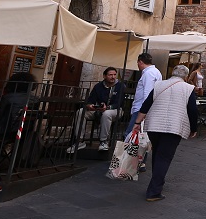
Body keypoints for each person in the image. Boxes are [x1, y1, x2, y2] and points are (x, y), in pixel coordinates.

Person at [134, 64, 199, 202]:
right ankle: (154, 191)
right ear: (186, 76)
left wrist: (137, 123)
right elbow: (193, 110)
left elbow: (146, 104)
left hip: (154, 125)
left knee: (158, 154)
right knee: (164, 157)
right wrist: (194, 129)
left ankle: (156, 183)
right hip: (173, 127)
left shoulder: (159, 85)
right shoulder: (188, 88)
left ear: (172, 73)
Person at [71, 67, 126, 152]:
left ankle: (103, 141)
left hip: (115, 110)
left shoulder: (120, 86)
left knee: (106, 114)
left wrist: (107, 107)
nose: (113, 77)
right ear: (104, 76)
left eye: (115, 75)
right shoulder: (98, 86)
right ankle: (79, 140)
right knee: (80, 112)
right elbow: (91, 99)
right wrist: (90, 105)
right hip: (98, 109)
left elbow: (119, 103)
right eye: (110, 75)